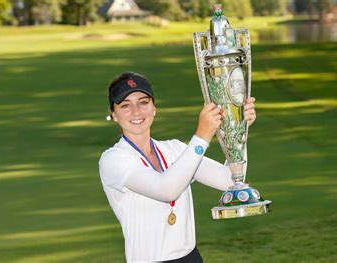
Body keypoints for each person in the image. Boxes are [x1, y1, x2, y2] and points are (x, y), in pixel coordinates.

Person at [98, 72, 256, 262]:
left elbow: (229, 180)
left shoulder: (175, 148)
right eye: (125, 105)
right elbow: (166, 190)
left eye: (143, 102)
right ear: (113, 115)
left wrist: (239, 129)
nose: (136, 112)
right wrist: (202, 135)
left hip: (191, 258)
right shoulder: (113, 159)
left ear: (154, 108)